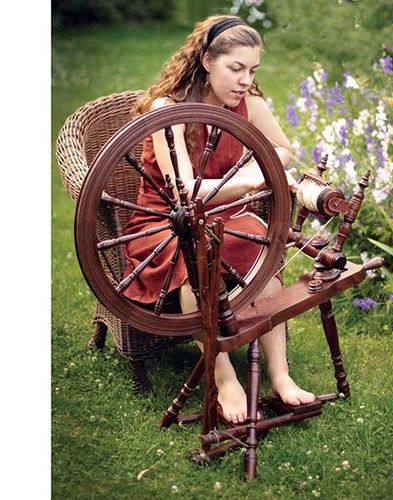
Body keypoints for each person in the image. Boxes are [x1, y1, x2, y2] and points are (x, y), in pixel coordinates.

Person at [123, 15, 315, 424]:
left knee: (262, 250)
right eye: (236, 68)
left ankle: (280, 377)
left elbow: (282, 149)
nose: (246, 80)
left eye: (253, 70)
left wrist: (261, 169)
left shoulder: (250, 104)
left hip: (222, 214)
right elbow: (183, 192)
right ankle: (224, 379)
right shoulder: (168, 110)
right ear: (208, 61)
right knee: (196, 259)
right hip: (166, 223)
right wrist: (252, 180)